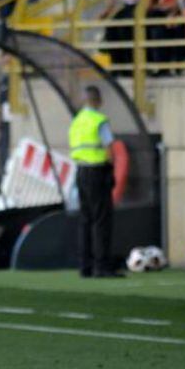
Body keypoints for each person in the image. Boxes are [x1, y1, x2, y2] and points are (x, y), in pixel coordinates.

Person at [70, 85, 120, 278]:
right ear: (99, 100)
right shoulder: (99, 121)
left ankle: (85, 266)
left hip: (81, 171)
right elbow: (109, 148)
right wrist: (111, 170)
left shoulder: (77, 121)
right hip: (98, 172)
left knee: (85, 220)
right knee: (101, 221)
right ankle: (102, 266)